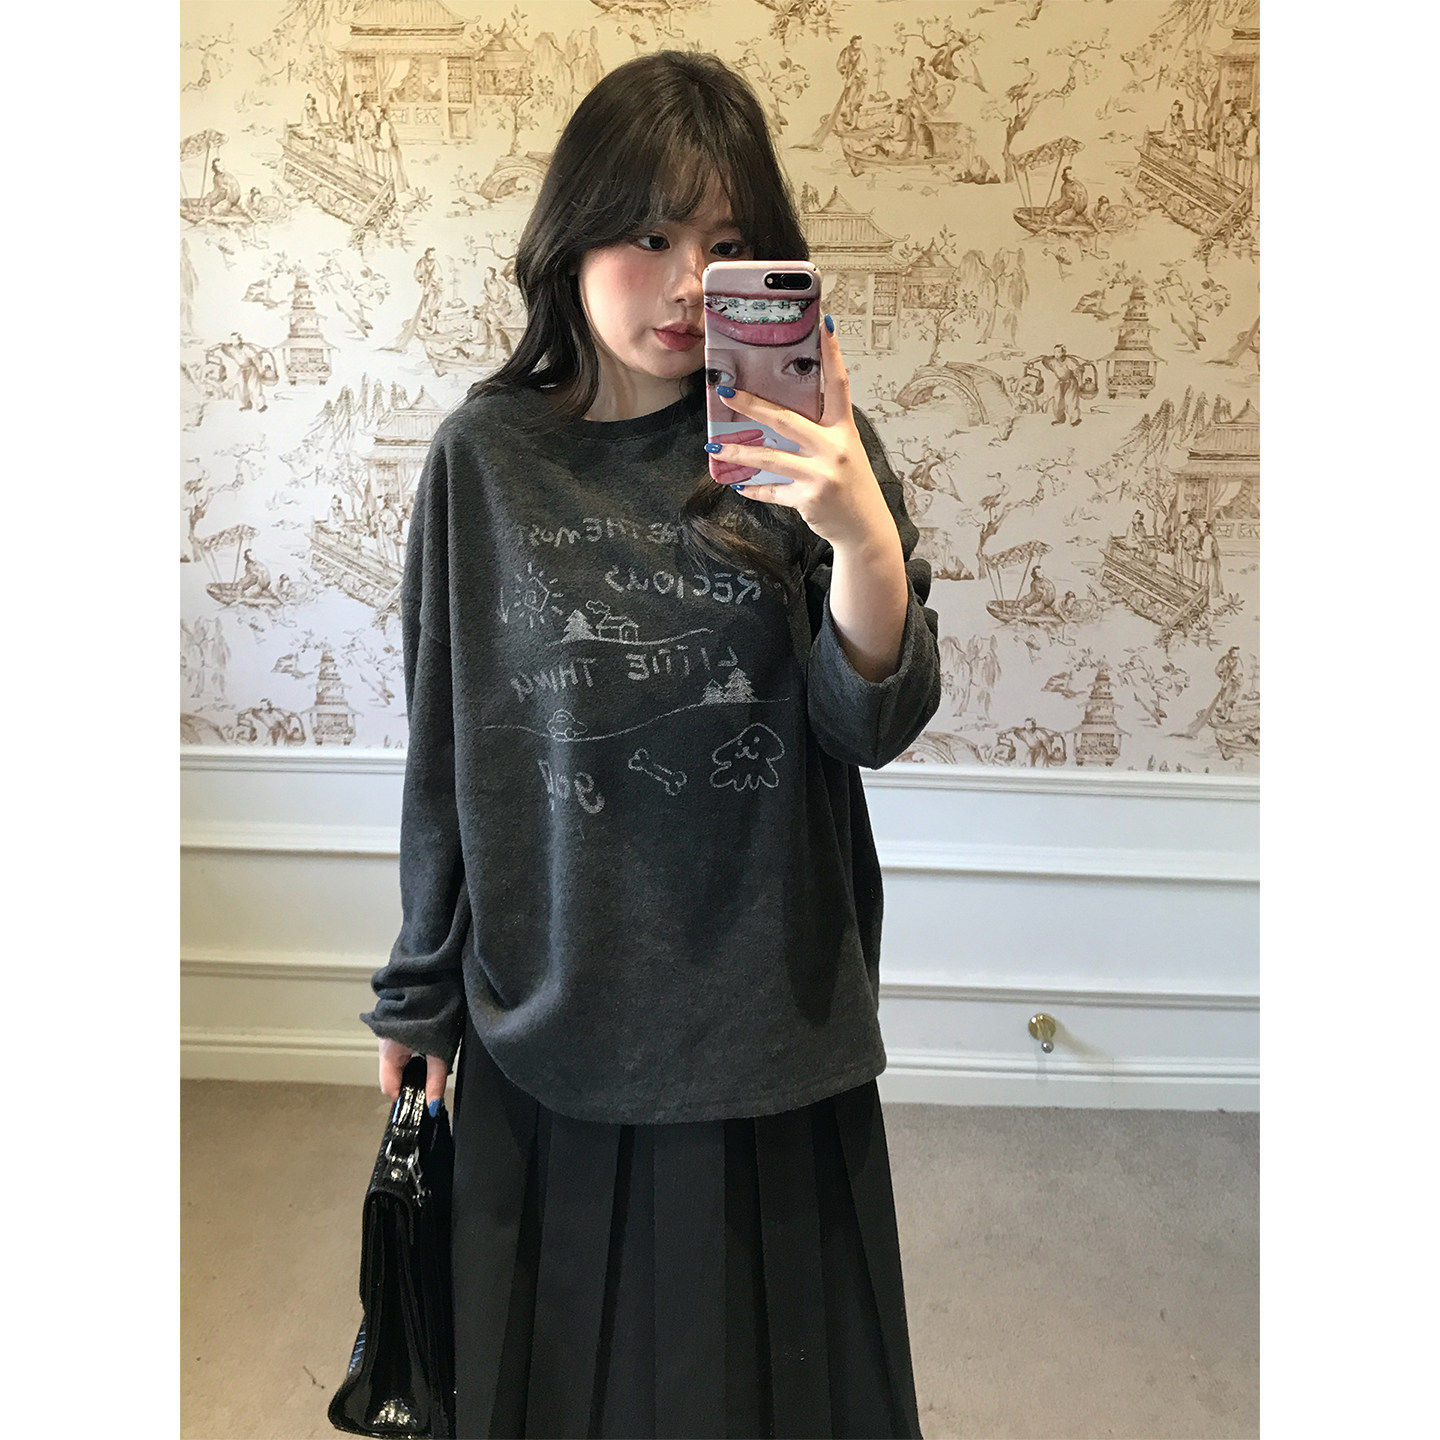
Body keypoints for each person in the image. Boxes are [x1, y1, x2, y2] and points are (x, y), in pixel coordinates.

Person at [360, 49, 937, 1439]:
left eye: (729, 246)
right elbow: (447, 747)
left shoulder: (808, 449)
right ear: (572, 240)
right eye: (653, 234)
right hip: (553, 1008)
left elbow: (871, 723)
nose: (689, 283)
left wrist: (862, 538)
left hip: (767, 1013)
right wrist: (418, 991)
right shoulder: (484, 460)